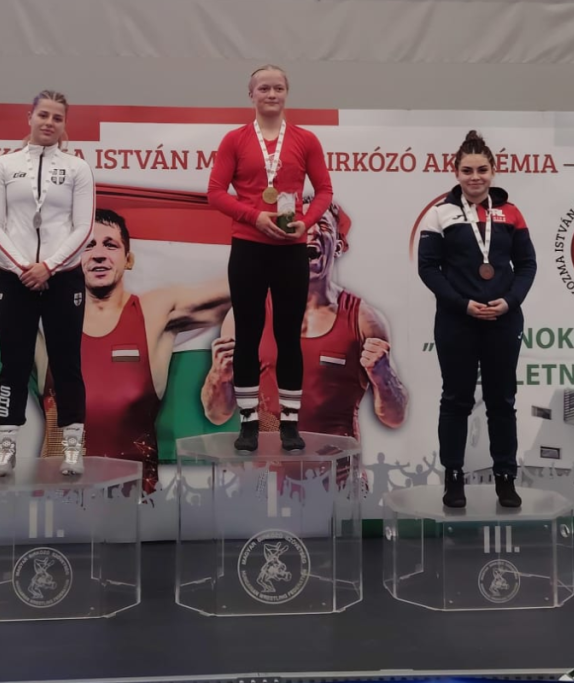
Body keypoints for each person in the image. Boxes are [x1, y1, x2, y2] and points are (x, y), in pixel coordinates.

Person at [202, 199, 408, 439]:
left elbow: (394, 417)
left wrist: (384, 376)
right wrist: (219, 376)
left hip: (336, 463)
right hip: (265, 463)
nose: (311, 231)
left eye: (323, 224)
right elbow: (217, 414)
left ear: (338, 246)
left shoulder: (364, 319)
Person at [207, 65, 334, 453]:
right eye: (264, 88)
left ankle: (290, 424)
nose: (272, 94)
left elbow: (325, 191)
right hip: (248, 247)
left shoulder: (306, 140)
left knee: (288, 337)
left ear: (287, 93)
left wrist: (306, 223)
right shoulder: (234, 139)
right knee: (247, 335)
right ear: (251, 95)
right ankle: (248, 423)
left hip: (290, 251)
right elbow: (215, 192)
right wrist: (254, 216)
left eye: (278, 88)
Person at [417, 130, 537, 509]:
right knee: (456, 400)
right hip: (458, 321)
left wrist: (510, 301)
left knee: (502, 400)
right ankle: (454, 477)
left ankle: (506, 477)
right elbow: (428, 268)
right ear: (455, 172)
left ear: (493, 171)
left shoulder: (511, 213)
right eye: (467, 170)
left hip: (504, 320)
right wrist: (462, 304)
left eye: (482, 170)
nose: (475, 177)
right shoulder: (440, 213)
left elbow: (527, 265)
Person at [74, 209, 230, 493]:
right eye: (88, 246)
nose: (98, 255)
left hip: (135, 504)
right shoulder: (50, 318)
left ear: (129, 259)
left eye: (110, 245)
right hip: (61, 502)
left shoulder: (153, 313)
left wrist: (278, 245)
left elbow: (240, 287)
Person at [0, 89, 95, 477]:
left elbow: (83, 227)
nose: (49, 122)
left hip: (62, 279)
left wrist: (48, 266)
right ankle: (6, 445)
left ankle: (73, 445)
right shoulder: (3, 166)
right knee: (13, 362)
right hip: (15, 279)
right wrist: (23, 268)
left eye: (57, 117)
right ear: (29, 117)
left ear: (65, 124)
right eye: (43, 115)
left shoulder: (78, 169)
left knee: (66, 362)